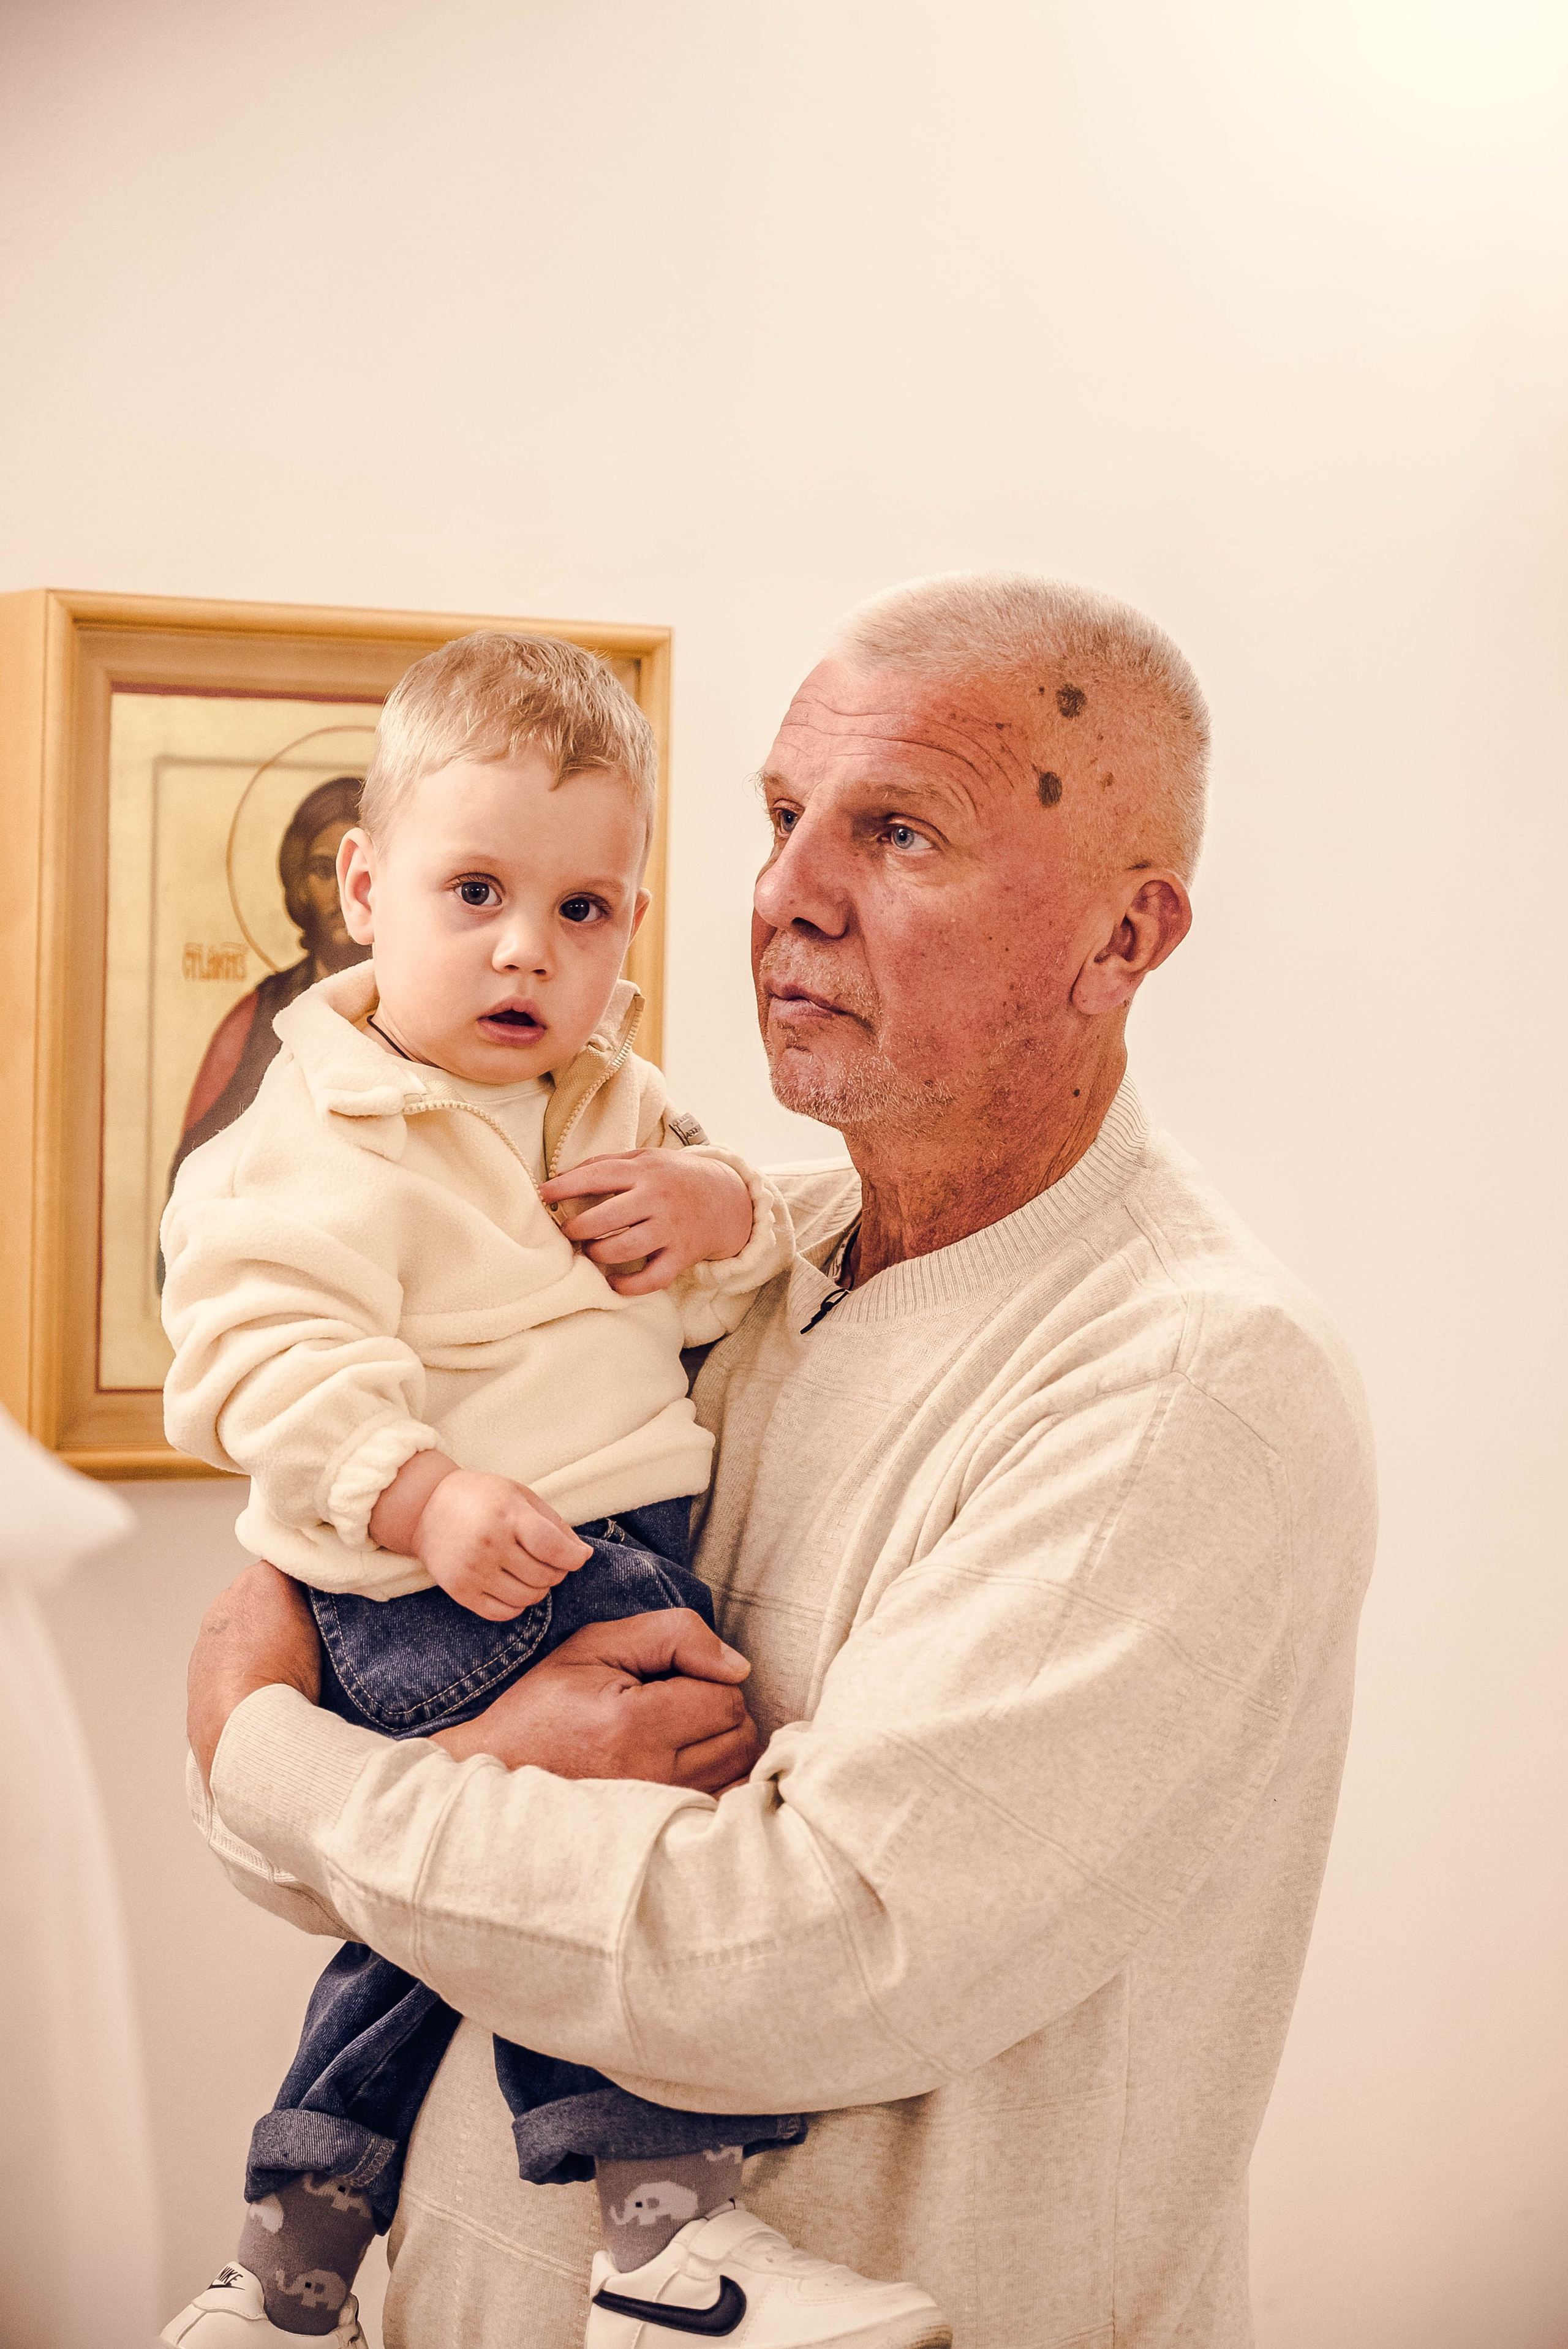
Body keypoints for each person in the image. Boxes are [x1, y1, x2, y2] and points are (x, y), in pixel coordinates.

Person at [184, 573, 1377, 2349]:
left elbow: (801, 1960)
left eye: (895, 831)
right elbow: (332, 1770)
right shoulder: (708, 1253)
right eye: (776, 817)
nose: (786, 896)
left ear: (1123, 940)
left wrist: (273, 1756)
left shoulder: (1189, 1384)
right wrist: (464, 1758)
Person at [157, 632, 951, 2349]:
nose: (528, 946)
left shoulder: (614, 1101)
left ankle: (286, 2285)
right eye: (476, 891)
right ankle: (666, 2248)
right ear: (365, 886)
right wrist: (419, 1489)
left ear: (631, 930)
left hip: (573, 1540)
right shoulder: (319, 1130)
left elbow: (708, 1293)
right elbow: (245, 1352)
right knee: (611, 1856)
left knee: (423, 1938)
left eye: (583, 910)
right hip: (458, 1574)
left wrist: (720, 1210)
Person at [169, 774, 370, 1191]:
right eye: (322, 869)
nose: (342, 889)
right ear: (298, 886)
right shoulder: (257, 1017)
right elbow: (195, 1175)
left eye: (361, 868)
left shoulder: (426, 1008)